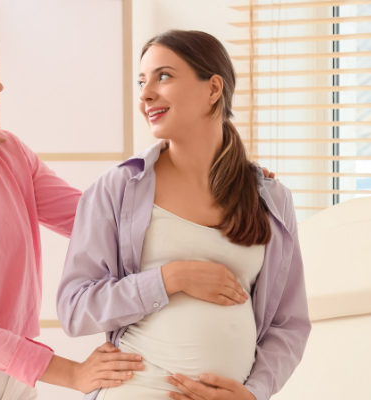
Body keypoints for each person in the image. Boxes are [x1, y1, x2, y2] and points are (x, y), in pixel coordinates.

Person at [0, 15, 263, 399]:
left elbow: (94, 220)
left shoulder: (4, 151)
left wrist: (220, 179)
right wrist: (72, 374)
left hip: (14, 372)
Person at [56, 30, 311, 400]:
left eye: (163, 76)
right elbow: (75, 310)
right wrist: (169, 279)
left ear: (213, 89)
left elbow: (289, 325)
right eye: (142, 81)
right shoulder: (118, 188)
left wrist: (253, 393)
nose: (145, 94)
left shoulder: (270, 199)